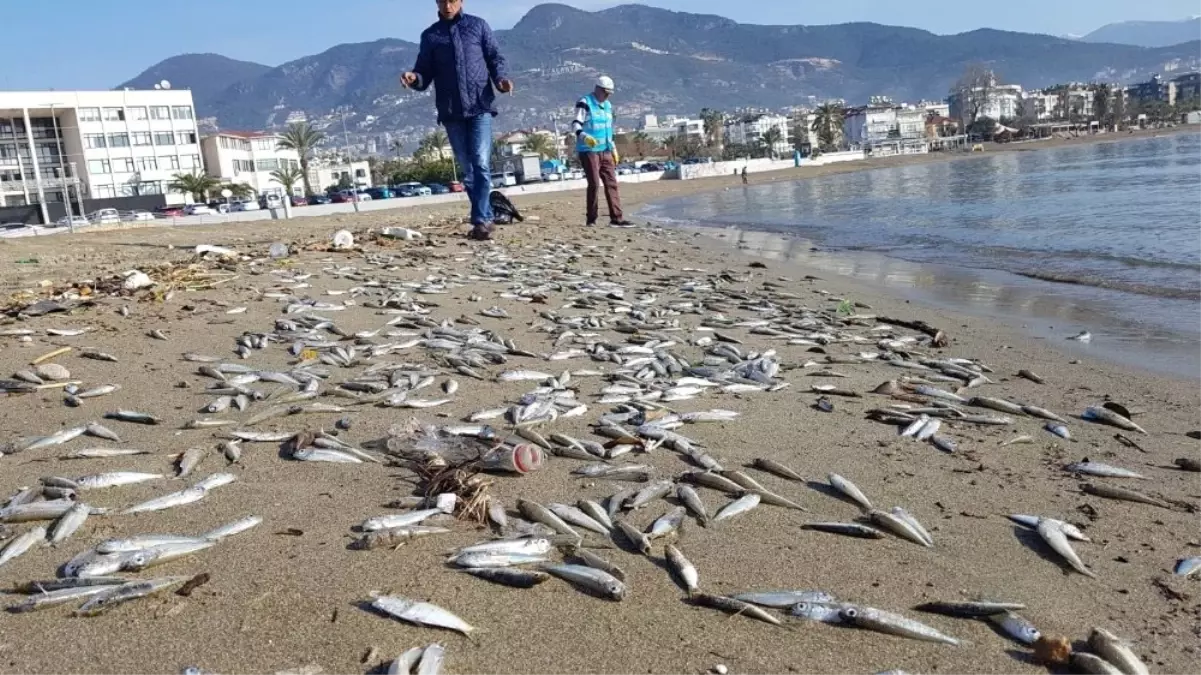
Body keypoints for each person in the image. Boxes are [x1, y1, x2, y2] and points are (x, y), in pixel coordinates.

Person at [401, 0, 513, 241]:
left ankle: (481, 220)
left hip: (480, 106)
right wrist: (414, 78)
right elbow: (424, 72)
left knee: (481, 164)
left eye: (452, 0)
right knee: (468, 170)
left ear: (461, 1)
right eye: (443, 1)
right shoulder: (431, 36)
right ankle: (486, 216)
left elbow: (495, 58)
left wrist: (501, 80)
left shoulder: (478, 26)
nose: (448, 5)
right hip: (451, 111)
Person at [572, 76, 633, 227]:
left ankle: (616, 218)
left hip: (605, 150)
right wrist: (584, 136)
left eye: (609, 94)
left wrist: (613, 149)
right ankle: (591, 219)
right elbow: (575, 124)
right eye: (605, 92)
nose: (607, 96)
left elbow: (608, 130)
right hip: (589, 150)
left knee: (611, 183)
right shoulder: (585, 103)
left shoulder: (607, 106)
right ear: (598, 89)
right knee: (594, 184)